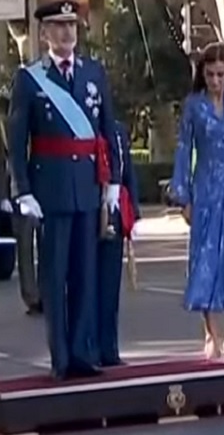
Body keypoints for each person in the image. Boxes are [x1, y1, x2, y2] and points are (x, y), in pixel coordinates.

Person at [7, 0, 123, 378]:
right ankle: (60, 358)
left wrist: (113, 183)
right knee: (55, 278)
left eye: (72, 26)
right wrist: (23, 190)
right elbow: (18, 138)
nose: (67, 33)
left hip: (88, 188)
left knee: (85, 275)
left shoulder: (93, 73)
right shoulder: (30, 78)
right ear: (44, 34)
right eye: (59, 26)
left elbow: (108, 130)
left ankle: (82, 352)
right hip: (51, 190)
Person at [170, 43, 224, 362]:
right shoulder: (194, 106)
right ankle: (211, 333)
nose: (215, 80)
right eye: (209, 74)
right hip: (205, 189)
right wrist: (182, 196)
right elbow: (184, 150)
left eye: (221, 74)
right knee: (206, 260)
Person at [92, 119, 140, 367]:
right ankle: (87, 348)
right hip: (88, 216)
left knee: (110, 288)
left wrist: (134, 213)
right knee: (87, 287)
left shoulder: (118, 130)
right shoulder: (80, 126)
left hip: (114, 213)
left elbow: (127, 171)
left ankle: (109, 349)